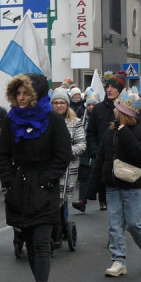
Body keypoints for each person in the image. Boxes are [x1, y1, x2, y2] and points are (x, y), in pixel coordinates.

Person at [0, 75, 70, 282]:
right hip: (20, 187)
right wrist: (8, 180)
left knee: (41, 242)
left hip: (44, 189)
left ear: (36, 95)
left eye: (26, 93)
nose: (21, 98)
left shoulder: (53, 120)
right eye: (17, 94)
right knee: (28, 242)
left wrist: (47, 179)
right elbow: (3, 154)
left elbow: (62, 155)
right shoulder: (11, 121)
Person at [85, 92, 141, 278]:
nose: (114, 110)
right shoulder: (110, 131)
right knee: (114, 225)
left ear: (125, 113)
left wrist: (124, 134)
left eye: (117, 108)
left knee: (133, 223)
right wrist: (89, 190)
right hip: (113, 185)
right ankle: (118, 261)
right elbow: (101, 159)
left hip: (134, 184)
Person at [74, 72, 125, 213]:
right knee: (92, 174)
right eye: (107, 86)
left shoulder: (125, 109)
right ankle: (84, 200)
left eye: (113, 87)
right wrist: (95, 148)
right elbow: (90, 132)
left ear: (120, 90)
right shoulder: (98, 108)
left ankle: (106, 201)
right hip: (101, 151)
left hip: (120, 153)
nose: (109, 89)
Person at [49, 88, 87, 236]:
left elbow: (82, 145)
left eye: (62, 103)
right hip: (50, 166)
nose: (59, 106)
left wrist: (65, 152)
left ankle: (62, 226)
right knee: (51, 198)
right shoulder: (46, 121)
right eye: (56, 103)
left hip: (67, 166)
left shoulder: (75, 123)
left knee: (62, 199)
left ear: (67, 104)